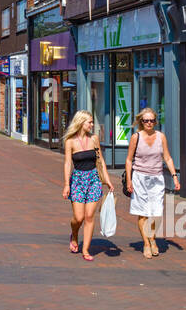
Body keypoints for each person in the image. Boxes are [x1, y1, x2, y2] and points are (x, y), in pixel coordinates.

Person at [125, 107, 179, 259]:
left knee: (155, 213)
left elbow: (167, 158)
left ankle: (153, 238)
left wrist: (174, 176)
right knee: (143, 213)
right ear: (141, 122)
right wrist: (129, 180)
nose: (149, 123)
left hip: (157, 178)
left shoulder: (161, 136)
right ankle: (147, 243)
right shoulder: (136, 137)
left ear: (155, 121)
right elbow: (129, 160)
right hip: (140, 177)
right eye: (146, 120)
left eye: (152, 120)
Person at [62, 111, 116, 261]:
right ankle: (74, 235)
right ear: (80, 122)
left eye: (92, 122)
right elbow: (67, 163)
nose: (92, 125)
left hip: (93, 179)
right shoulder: (70, 141)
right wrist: (67, 185)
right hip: (78, 180)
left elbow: (100, 161)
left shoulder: (94, 139)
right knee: (78, 218)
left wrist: (107, 180)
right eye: (89, 122)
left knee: (89, 216)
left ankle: (86, 250)